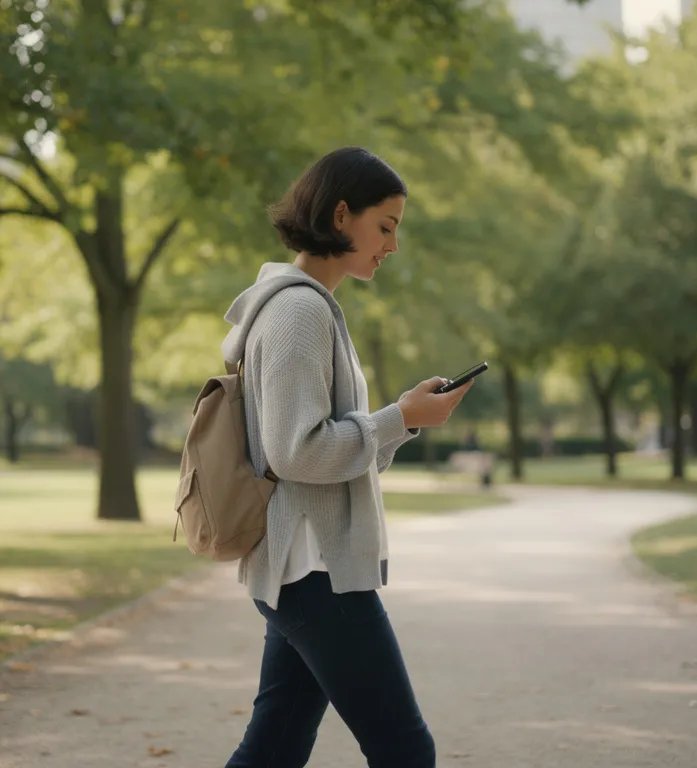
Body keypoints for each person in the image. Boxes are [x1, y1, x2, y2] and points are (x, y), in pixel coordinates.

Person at [221, 147, 472, 767]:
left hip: (306, 562)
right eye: (384, 227)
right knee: (406, 751)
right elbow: (297, 451)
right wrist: (398, 418)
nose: (392, 245)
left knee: (273, 749)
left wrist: (401, 423)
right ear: (341, 216)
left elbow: (332, 449)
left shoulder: (307, 307)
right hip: (314, 566)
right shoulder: (300, 311)